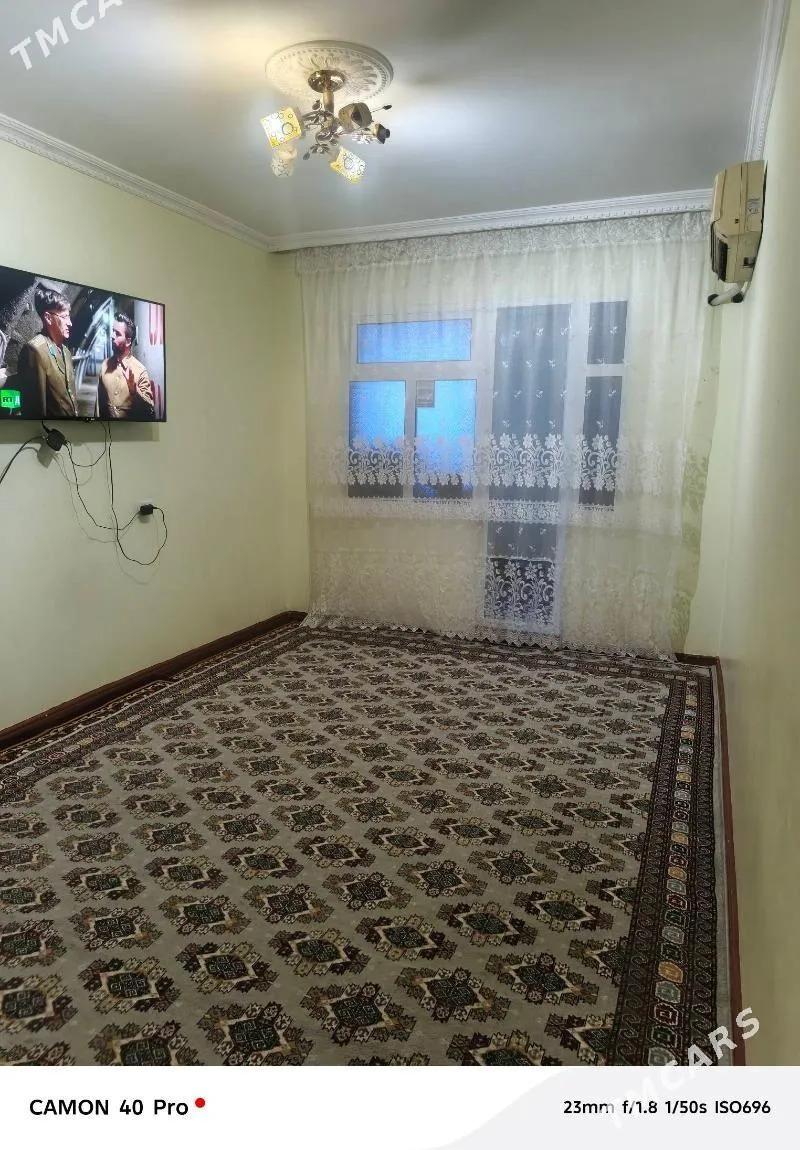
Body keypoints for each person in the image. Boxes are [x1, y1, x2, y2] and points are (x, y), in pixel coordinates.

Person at [17, 286, 78, 419]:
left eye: (69, 316)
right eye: (64, 317)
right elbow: (35, 410)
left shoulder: (66, 352)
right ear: (48, 318)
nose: (70, 323)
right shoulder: (35, 350)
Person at [97, 313, 155, 420]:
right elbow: (98, 406)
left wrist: (135, 391)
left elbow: (149, 410)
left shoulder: (140, 371)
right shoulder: (105, 365)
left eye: (117, 334)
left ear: (128, 341)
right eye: (113, 331)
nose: (112, 336)